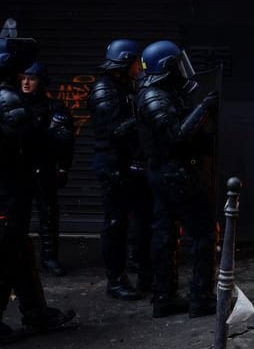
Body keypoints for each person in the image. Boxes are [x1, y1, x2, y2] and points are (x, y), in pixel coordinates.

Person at [0, 38, 76, 344]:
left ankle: (36, 313)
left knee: (18, 252)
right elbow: (31, 142)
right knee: (7, 253)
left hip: (12, 189)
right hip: (8, 191)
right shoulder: (7, 98)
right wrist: (53, 135)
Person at [136, 40, 218, 318]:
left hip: (164, 173)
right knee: (203, 234)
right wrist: (205, 107)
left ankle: (165, 297)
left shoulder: (156, 93)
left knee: (165, 234)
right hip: (175, 174)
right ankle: (201, 298)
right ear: (167, 67)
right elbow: (177, 135)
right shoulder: (154, 97)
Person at [88, 40, 152, 300]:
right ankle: (115, 281)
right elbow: (112, 131)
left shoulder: (125, 85)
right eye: (136, 61)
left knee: (140, 217)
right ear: (125, 62)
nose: (139, 66)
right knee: (115, 223)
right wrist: (142, 118)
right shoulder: (104, 90)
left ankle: (138, 267)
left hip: (129, 162)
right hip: (112, 163)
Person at [19, 62, 74, 276]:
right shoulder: (12, 105)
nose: (26, 82)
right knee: (16, 217)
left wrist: (63, 168)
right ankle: (16, 259)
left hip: (44, 167)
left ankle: (49, 258)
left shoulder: (55, 108)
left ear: (40, 82)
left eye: (31, 78)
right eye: (23, 78)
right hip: (19, 168)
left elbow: (66, 142)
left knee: (49, 215)